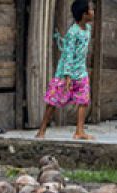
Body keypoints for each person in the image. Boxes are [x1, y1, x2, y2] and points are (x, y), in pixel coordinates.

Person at [36, 0, 95, 141]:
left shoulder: (87, 29)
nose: (93, 12)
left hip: (81, 71)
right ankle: (42, 129)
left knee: (83, 100)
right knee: (54, 100)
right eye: (91, 9)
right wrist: (67, 76)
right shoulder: (72, 32)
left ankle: (79, 131)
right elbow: (68, 55)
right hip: (65, 73)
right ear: (84, 14)